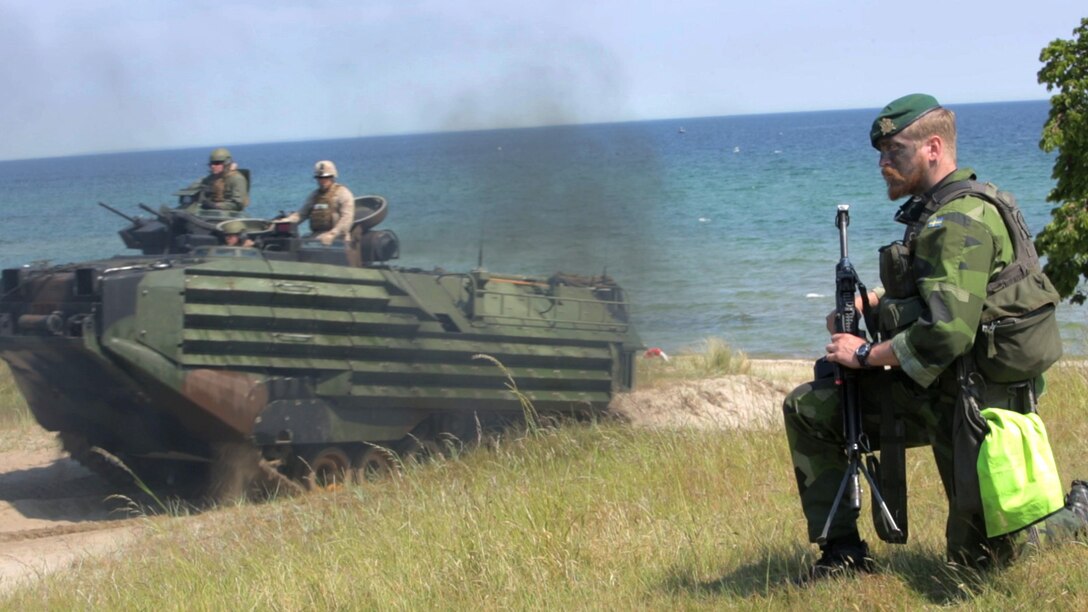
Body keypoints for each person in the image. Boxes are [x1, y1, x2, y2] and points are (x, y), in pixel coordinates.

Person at [783, 93, 1072, 580]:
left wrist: (866, 353)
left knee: (975, 569)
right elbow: (945, 297)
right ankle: (844, 553)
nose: (883, 164)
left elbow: (948, 334)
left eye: (894, 151)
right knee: (810, 408)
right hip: (944, 388)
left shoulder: (956, 221)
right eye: (881, 154)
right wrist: (871, 305)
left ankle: (1074, 515)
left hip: (973, 403)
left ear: (932, 147)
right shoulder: (954, 208)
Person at [281, 160, 355, 246]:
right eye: (320, 178)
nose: (322, 181)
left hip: (339, 239)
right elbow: (301, 214)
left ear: (332, 177)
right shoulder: (314, 196)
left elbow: (347, 218)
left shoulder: (343, 193)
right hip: (317, 236)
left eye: (326, 177)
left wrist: (333, 234)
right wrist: (284, 222)